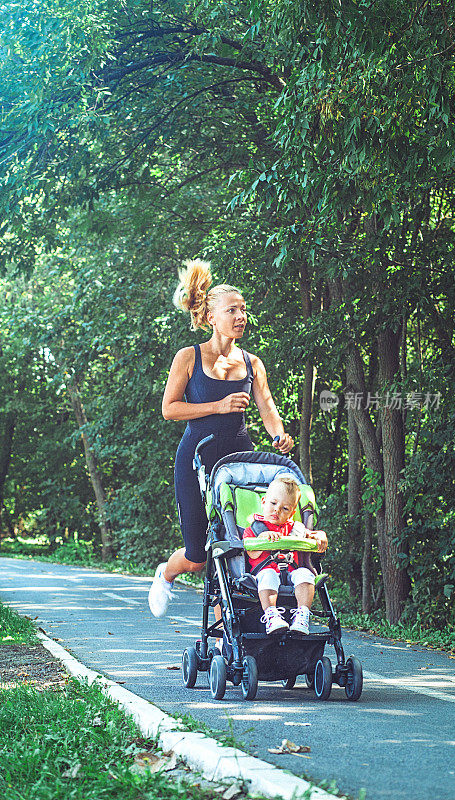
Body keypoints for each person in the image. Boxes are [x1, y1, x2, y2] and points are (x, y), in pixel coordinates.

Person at [148, 259, 295, 618]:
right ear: (212, 317)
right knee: (199, 557)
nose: (241, 316)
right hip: (196, 458)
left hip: (239, 461)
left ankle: (225, 639)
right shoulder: (189, 357)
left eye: (243, 310)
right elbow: (170, 409)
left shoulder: (252, 363)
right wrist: (219, 405)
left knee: (239, 543)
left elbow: (268, 408)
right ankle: (166, 574)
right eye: (232, 310)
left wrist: (279, 436)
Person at [242, 475, 328, 636]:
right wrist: (262, 539)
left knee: (306, 574)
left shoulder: (296, 529)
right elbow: (251, 553)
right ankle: (271, 615)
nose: (277, 510)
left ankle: (302, 615)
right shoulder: (253, 529)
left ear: (292, 512)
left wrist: (320, 536)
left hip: (291, 573)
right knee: (268, 575)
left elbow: (313, 538)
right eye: (273, 503)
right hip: (263, 574)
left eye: (285, 508)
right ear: (263, 502)